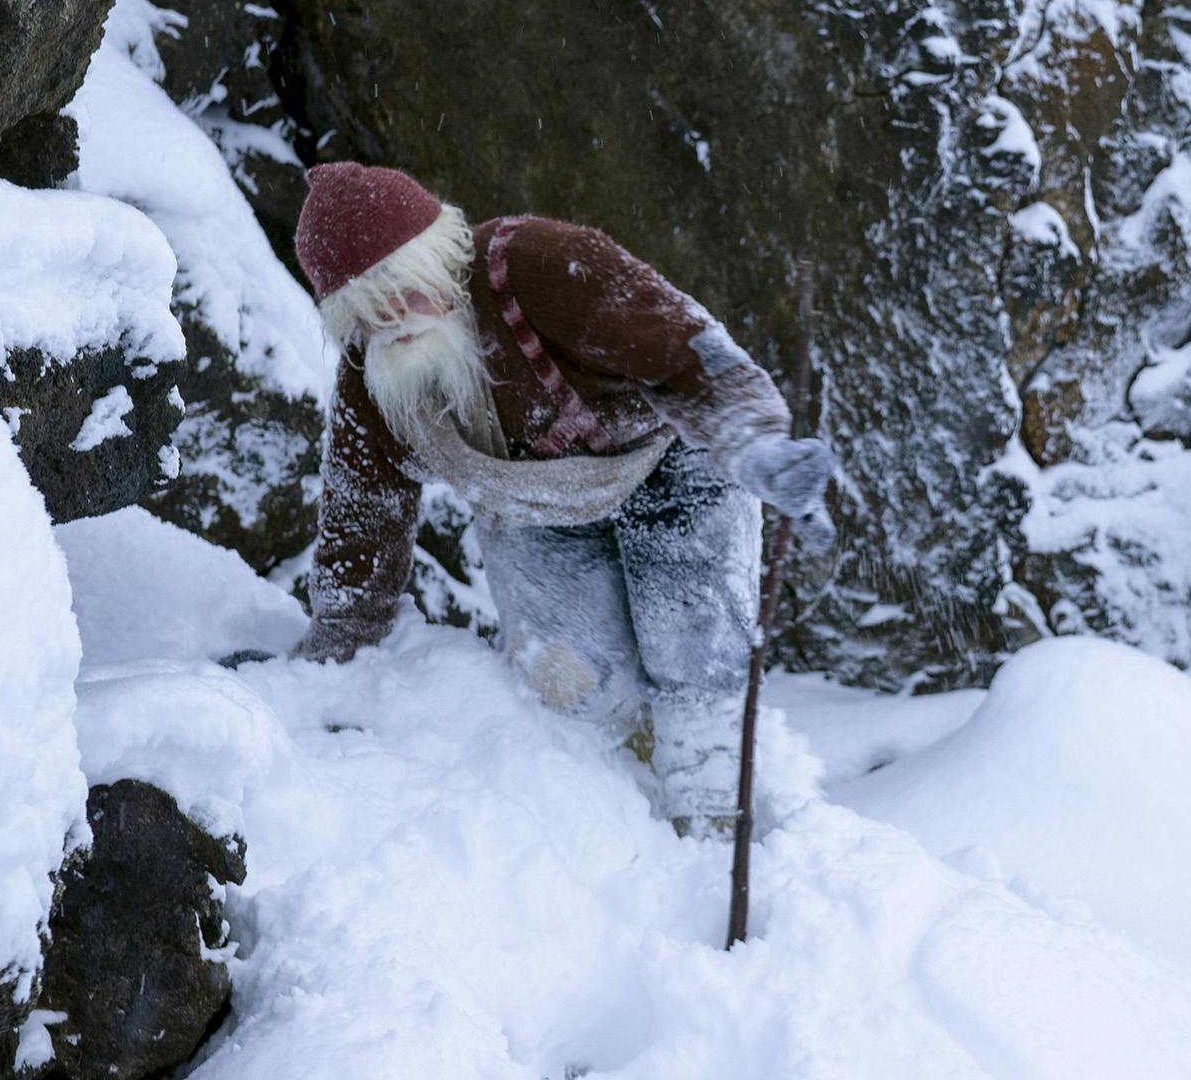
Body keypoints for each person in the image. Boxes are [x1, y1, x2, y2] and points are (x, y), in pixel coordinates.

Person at [286, 161, 836, 832]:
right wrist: (335, 642)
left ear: (438, 254)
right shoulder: (375, 383)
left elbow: (686, 344)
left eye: (402, 286)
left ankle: (713, 808)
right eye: (364, 309)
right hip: (534, 510)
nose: (393, 317)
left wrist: (756, 445)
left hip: (672, 466)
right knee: (572, 688)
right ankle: (615, 824)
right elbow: (360, 515)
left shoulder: (535, 265)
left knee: (692, 649)